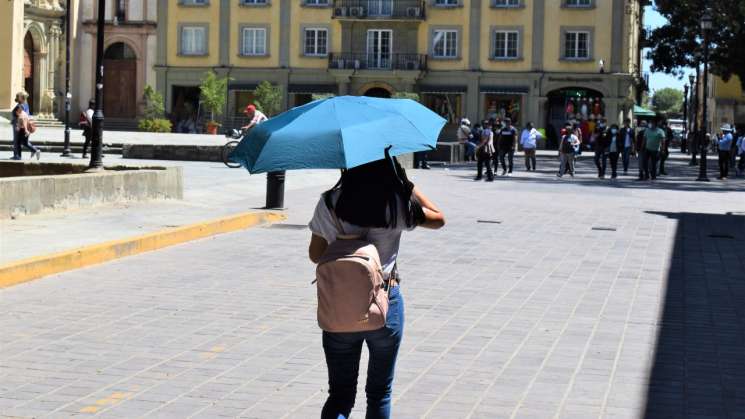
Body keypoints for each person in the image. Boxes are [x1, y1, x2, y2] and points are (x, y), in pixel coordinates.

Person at [308, 156, 445, 419]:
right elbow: (439, 219)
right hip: (385, 301)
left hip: (340, 306)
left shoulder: (330, 202)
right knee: (380, 392)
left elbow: (316, 255)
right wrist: (408, 185)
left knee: (339, 394)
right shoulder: (396, 202)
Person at [10, 92, 30, 160]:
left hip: (18, 125)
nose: (17, 97)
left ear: (21, 97)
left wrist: (18, 125)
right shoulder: (24, 104)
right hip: (19, 124)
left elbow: (21, 117)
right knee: (18, 141)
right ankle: (17, 155)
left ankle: (17, 155)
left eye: (18, 96)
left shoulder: (21, 105)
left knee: (16, 141)